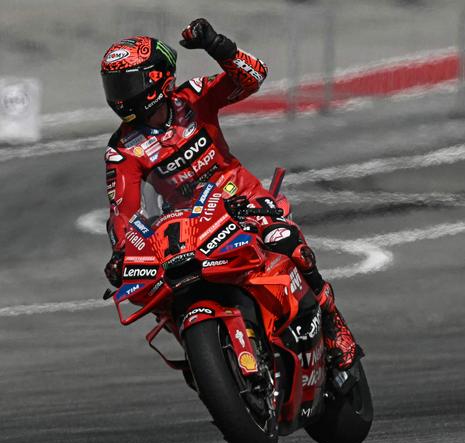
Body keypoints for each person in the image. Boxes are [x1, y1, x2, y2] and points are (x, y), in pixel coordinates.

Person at [100, 19, 361, 372]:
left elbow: (253, 77)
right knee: (158, 289)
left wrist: (217, 45)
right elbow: (123, 212)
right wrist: (121, 252)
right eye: (112, 85)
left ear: (158, 78)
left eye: (127, 83)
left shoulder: (193, 97)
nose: (119, 95)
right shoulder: (122, 150)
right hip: (187, 224)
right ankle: (204, 357)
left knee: (286, 239)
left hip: (239, 197)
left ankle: (333, 323)